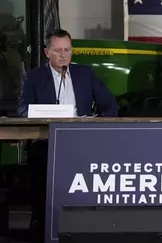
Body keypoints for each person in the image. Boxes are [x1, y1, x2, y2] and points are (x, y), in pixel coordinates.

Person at [16, 28, 119, 242]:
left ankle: (92, 223)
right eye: (58, 51)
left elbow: (110, 105)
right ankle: (41, 223)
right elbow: (22, 109)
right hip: (47, 141)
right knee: (38, 159)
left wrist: (96, 123)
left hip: (81, 141)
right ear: (47, 52)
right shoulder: (34, 77)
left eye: (68, 50)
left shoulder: (85, 74)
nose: (64, 55)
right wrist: (37, 115)